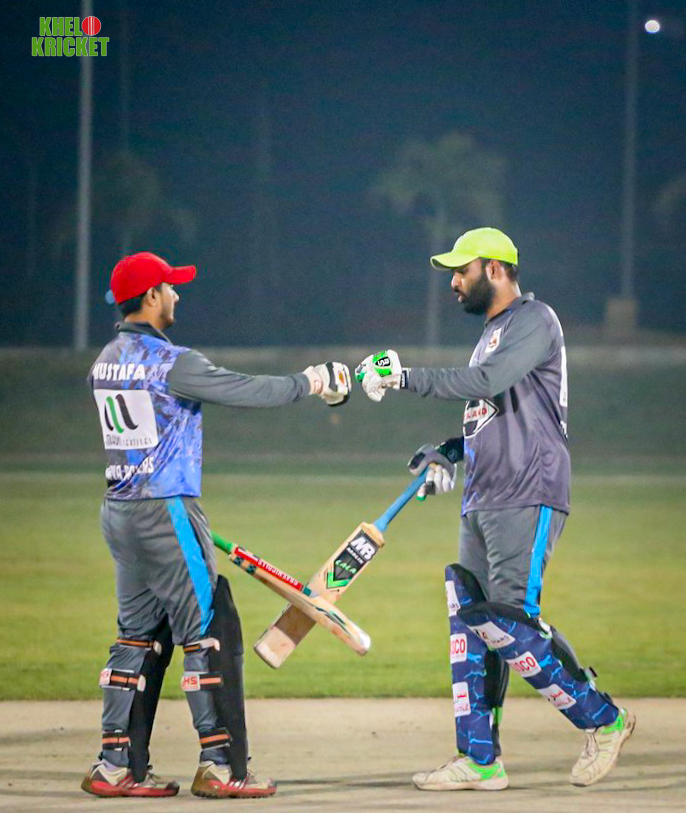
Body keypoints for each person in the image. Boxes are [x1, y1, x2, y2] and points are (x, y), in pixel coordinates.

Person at [356, 227, 635, 791]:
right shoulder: (490, 334)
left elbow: (488, 381)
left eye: (461, 271)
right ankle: (480, 759)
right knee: (472, 622)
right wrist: (449, 451)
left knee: (510, 621)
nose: (453, 283)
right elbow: (487, 411)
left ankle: (605, 719)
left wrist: (402, 375)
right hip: (483, 494)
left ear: (496, 269)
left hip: (528, 488)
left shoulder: (535, 320)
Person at [81, 251, 351, 799]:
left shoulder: (105, 359)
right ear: (151, 296)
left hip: (120, 511)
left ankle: (114, 766)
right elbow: (249, 390)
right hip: (165, 509)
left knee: (135, 635)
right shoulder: (172, 361)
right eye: (170, 287)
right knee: (208, 630)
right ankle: (222, 766)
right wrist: (313, 380)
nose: (177, 294)